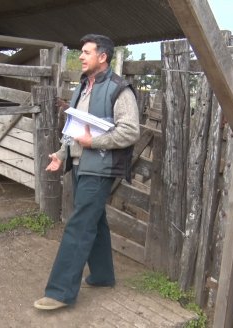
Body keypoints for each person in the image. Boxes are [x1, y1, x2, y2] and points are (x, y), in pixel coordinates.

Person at [34, 34, 140, 310]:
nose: (80, 56)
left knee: (79, 225)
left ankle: (59, 292)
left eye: (86, 52)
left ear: (102, 56)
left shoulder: (120, 89)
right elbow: (74, 130)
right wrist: (60, 155)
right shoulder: (82, 87)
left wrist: (96, 142)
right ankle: (103, 276)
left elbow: (130, 131)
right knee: (94, 219)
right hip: (81, 165)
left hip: (101, 168)